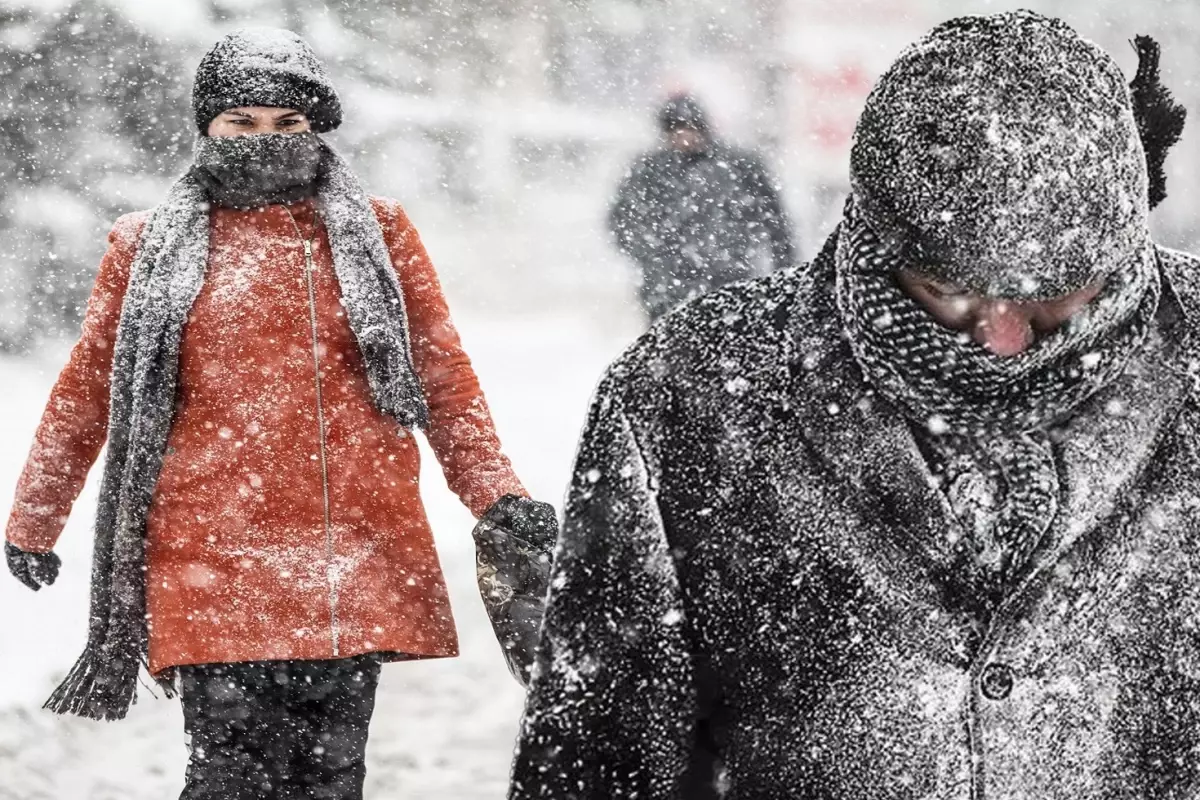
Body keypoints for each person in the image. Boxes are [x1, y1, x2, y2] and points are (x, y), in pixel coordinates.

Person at [510, 12, 1195, 798]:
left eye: (1053, 297)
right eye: (949, 290)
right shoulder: (687, 391)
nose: (1003, 340)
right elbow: (606, 751)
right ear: (878, 235)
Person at [3, 28, 556, 800]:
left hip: (350, 553)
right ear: (207, 127)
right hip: (209, 557)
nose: (264, 141)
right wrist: (34, 517)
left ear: (316, 127)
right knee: (227, 777)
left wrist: (496, 492)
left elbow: (441, 376)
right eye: (242, 122)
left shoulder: (376, 233)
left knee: (329, 778)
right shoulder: (146, 248)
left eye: (286, 124)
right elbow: (88, 389)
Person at [608, 93, 795, 324]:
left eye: (689, 127)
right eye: (675, 129)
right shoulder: (648, 171)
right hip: (668, 294)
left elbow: (775, 224)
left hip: (730, 289)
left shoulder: (740, 167)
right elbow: (622, 222)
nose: (683, 136)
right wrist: (654, 257)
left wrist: (784, 275)